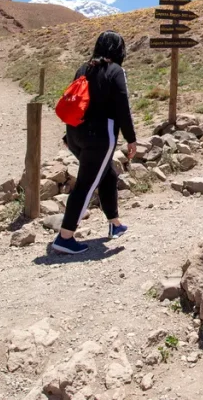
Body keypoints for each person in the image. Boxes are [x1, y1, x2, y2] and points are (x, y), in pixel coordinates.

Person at [55, 31, 137, 254]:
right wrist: (131, 139)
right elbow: (123, 108)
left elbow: (74, 101)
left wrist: (68, 136)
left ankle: (115, 224)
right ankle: (65, 236)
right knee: (86, 184)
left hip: (75, 134)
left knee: (107, 173)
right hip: (100, 136)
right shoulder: (115, 71)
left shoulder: (84, 68)